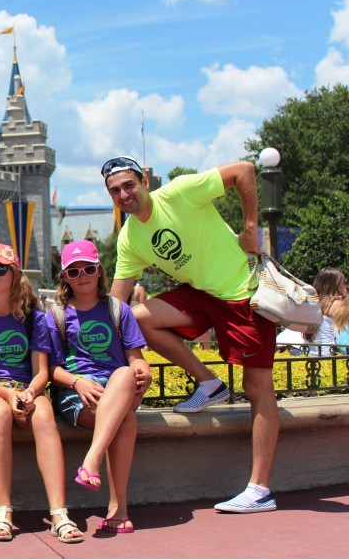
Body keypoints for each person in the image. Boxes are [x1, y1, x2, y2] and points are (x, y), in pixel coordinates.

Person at [103, 155, 280, 513]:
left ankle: (260, 490)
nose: (123, 195)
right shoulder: (129, 238)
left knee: (257, 387)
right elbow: (116, 305)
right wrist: (78, 329)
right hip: (202, 296)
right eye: (115, 191)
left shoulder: (180, 192)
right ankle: (209, 384)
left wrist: (251, 228)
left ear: (145, 183)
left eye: (128, 185)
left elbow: (244, 170)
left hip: (243, 293)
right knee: (137, 318)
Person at [0, 244, 83, 543]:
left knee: (44, 416)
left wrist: (29, 392)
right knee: (0, 413)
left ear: (14, 274)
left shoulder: (33, 317)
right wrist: (8, 395)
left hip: (27, 387)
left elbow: (41, 371)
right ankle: (3, 510)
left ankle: (59, 513)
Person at [47, 240, 150, 535]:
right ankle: (119, 509)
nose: (82, 276)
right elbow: (51, 369)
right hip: (77, 394)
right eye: (74, 271)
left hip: (118, 387)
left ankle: (92, 459)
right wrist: (77, 381)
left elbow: (136, 359)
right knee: (126, 419)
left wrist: (144, 372)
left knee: (125, 373)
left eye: (88, 269)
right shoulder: (56, 315)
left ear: (99, 271)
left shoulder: (118, 309)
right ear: (65, 277)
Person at [311, 267, 345, 356]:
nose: (345, 285)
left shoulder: (313, 302)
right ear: (336, 284)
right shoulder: (335, 304)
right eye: (344, 282)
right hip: (330, 356)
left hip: (313, 353)